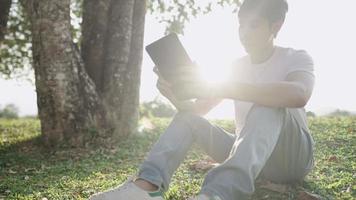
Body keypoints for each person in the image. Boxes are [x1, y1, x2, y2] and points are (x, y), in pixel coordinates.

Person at [89, 0, 315, 199]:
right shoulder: (235, 67)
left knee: (268, 104)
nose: (244, 32)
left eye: (253, 25)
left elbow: (299, 94)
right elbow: (197, 111)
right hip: (249, 155)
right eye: (241, 24)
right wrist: (174, 95)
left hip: (291, 158)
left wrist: (225, 86)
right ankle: (147, 187)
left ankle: (216, 194)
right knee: (188, 118)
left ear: (276, 26)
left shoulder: (296, 57)